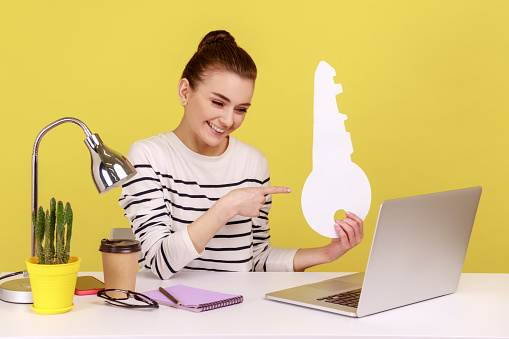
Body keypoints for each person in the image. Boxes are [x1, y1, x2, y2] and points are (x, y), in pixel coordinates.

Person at [119, 30, 364, 280]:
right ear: (185, 92)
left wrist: (327, 253)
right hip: (169, 308)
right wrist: (226, 206)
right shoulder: (148, 156)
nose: (228, 120)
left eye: (241, 109)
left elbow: (256, 257)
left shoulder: (252, 163)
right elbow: (159, 262)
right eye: (218, 102)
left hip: (237, 309)